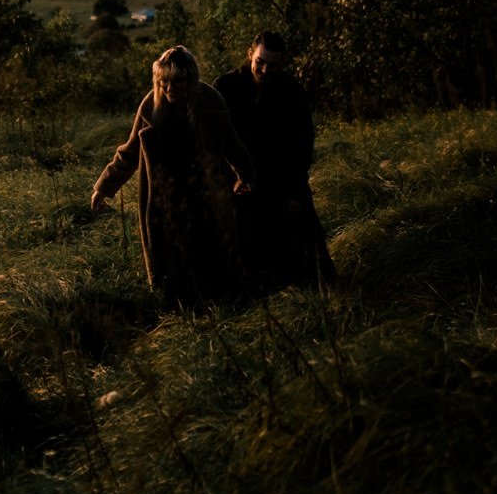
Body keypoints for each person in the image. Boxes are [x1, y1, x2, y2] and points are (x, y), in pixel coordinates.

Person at [90, 45, 255, 305]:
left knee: (209, 255)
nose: (169, 89)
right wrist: (105, 186)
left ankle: (218, 305)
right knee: (169, 261)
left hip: (204, 192)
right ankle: (175, 309)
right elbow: (130, 151)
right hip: (164, 195)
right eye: (163, 82)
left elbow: (232, 144)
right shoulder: (150, 105)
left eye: (177, 81)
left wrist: (245, 175)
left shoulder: (210, 101)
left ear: (191, 78)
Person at [213, 31, 336, 290]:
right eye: (261, 62)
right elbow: (213, 140)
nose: (266, 69)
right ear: (250, 54)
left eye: (274, 64)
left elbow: (302, 145)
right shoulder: (225, 87)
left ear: (283, 63)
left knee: (308, 251)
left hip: (280, 178)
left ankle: (314, 293)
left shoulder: (292, 92)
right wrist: (226, 180)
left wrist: (294, 190)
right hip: (237, 181)